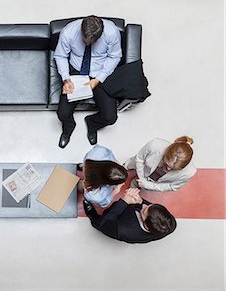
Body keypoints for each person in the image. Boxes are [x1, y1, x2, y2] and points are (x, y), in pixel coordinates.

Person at [54, 15, 122, 148]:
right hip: (76, 69)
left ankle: (92, 123)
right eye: (85, 40)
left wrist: (99, 79)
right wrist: (66, 79)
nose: (88, 44)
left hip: (100, 71)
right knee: (62, 113)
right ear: (81, 30)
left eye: (93, 41)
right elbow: (60, 55)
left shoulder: (111, 32)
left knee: (110, 118)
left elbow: (115, 57)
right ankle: (68, 128)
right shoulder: (69, 32)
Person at [83, 188, 177, 243]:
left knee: (99, 223)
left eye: (144, 210)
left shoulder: (124, 230)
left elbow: (106, 221)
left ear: (147, 226)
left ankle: (92, 216)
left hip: (112, 225)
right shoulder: (171, 223)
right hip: (130, 214)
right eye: (148, 206)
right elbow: (145, 206)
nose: (143, 206)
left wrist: (124, 202)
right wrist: (140, 201)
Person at [124, 136, 197, 191]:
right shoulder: (154, 145)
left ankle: (134, 185)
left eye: (174, 169)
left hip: (154, 181)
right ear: (166, 153)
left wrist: (149, 185)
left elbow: (172, 186)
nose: (168, 169)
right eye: (167, 164)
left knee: (136, 184)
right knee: (130, 164)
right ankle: (125, 167)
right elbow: (140, 159)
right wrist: (142, 178)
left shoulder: (189, 172)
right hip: (141, 165)